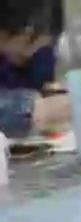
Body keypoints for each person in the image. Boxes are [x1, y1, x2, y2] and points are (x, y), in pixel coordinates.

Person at [0, 0, 69, 137]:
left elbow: (46, 90)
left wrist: (52, 95)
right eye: (30, 40)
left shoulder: (40, 54)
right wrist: (29, 109)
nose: (31, 52)